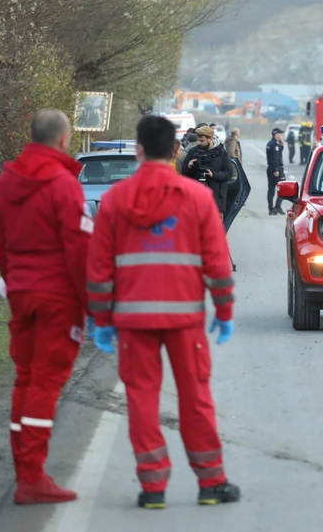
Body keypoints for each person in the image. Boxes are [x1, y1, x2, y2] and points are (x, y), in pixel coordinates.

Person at [87, 115, 240, 509]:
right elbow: (218, 264)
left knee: (141, 400)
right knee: (196, 399)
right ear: (175, 150)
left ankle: (153, 488)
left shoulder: (117, 200)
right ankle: (211, 483)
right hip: (184, 320)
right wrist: (223, 311)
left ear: (138, 150)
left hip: (133, 321)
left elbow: (100, 270)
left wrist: (102, 320)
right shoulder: (196, 198)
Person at [0, 108, 91, 504]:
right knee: (45, 383)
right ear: (64, 140)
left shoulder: (4, 183)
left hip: (21, 293)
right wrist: (94, 305)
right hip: (57, 299)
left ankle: (25, 470)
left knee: (26, 381)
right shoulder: (64, 186)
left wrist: (13, 278)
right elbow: (79, 251)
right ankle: (32, 478)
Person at [181, 126, 231, 220]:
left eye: (202, 141)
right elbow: (183, 174)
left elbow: (228, 174)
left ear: (210, 139)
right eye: (198, 140)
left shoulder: (222, 153)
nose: (199, 143)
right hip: (196, 199)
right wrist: (189, 166)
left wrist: (214, 174)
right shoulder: (193, 151)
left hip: (216, 199)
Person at [266, 127, 286, 215]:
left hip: (270, 168)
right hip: (276, 169)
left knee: (271, 189)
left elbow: (277, 155)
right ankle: (277, 206)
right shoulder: (275, 145)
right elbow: (275, 158)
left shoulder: (271, 143)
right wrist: (276, 169)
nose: (282, 135)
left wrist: (282, 145)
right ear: (276, 134)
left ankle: (271, 208)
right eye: (280, 134)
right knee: (284, 188)